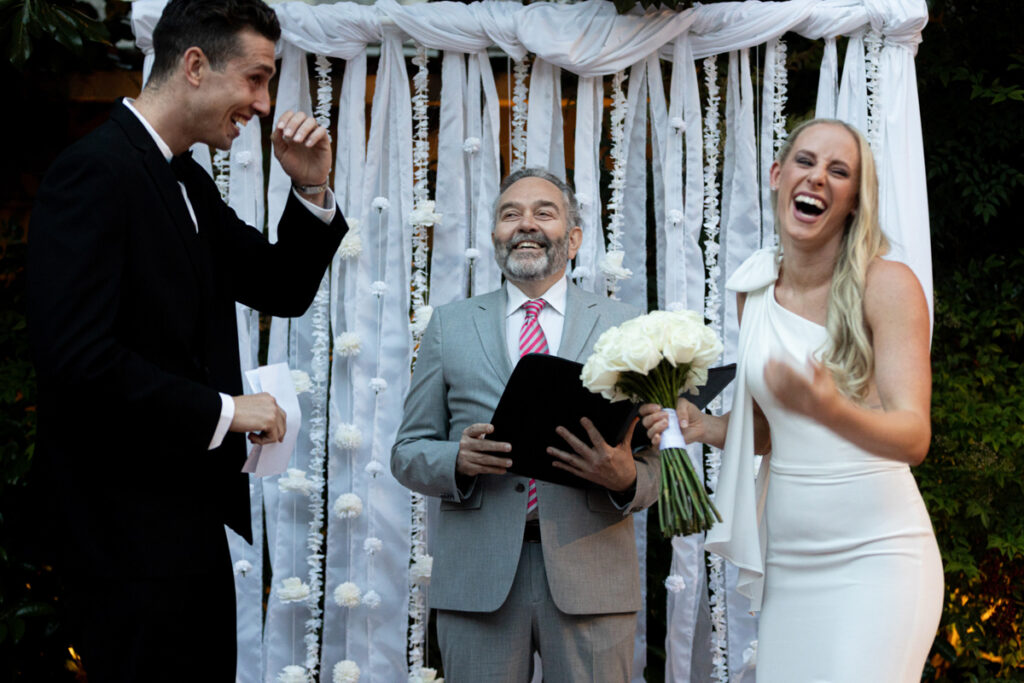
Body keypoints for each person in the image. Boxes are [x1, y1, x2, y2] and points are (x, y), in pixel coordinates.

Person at [26, 0, 347, 679]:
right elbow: (78, 358)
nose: (264, 105)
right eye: (256, 79)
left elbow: (280, 286)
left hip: (187, 523)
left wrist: (313, 187)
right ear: (195, 65)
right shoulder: (94, 171)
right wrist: (227, 411)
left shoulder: (186, 177)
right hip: (121, 536)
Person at [643, 119, 943, 681]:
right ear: (779, 176)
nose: (818, 178)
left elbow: (914, 437)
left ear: (854, 201)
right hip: (789, 559)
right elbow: (768, 430)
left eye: (839, 171)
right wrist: (704, 426)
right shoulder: (755, 290)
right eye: (805, 162)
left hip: (878, 555)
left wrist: (831, 409)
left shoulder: (888, 284)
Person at [391, 168, 660, 682]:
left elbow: (654, 463)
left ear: (573, 239)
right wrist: (457, 460)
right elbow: (406, 452)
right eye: (510, 214)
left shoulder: (625, 325)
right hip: (478, 581)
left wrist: (625, 477)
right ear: (495, 235)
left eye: (544, 213)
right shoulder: (450, 325)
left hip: (593, 578)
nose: (525, 224)